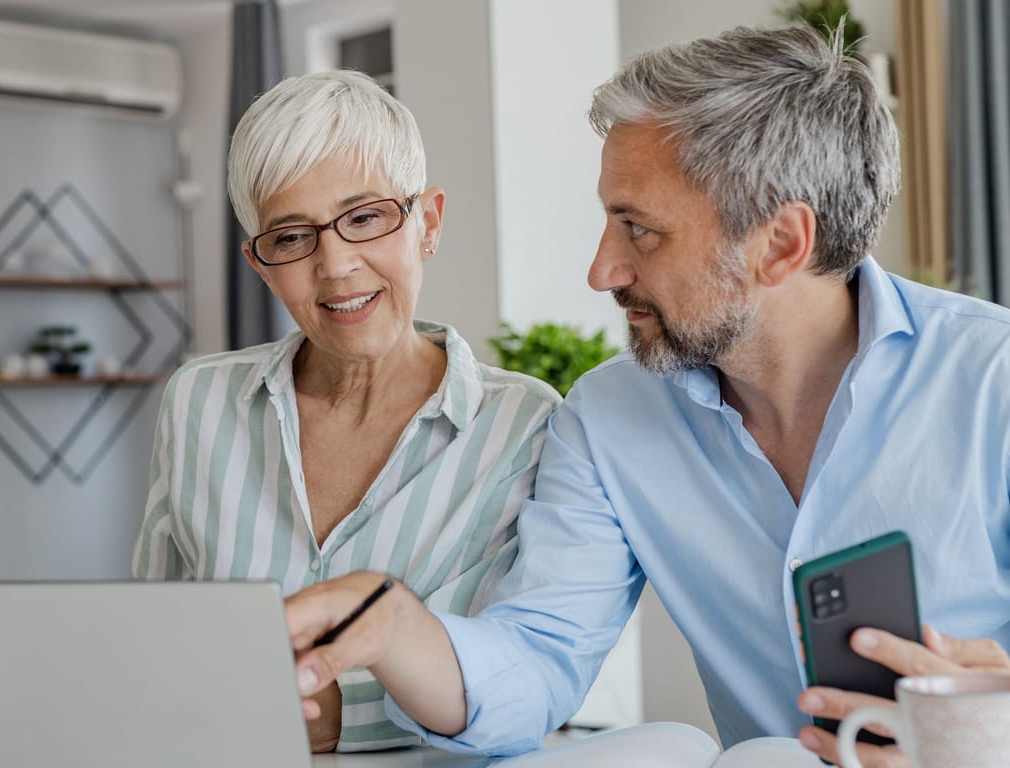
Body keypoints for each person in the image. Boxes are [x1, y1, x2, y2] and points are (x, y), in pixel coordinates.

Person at [283, 25, 1010, 767]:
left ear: (782, 244)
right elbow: (538, 658)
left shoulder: (994, 379)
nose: (602, 270)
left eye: (639, 229)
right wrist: (393, 626)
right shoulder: (607, 419)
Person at [132, 70, 559, 753]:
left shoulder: (523, 427)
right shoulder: (200, 401)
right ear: (261, 264)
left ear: (429, 224)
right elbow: (154, 633)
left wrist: (334, 715)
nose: (335, 265)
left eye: (364, 218)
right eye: (293, 237)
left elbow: (523, 677)